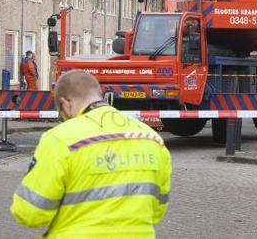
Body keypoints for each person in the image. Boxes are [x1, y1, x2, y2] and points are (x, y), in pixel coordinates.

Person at [11, 71, 172, 238]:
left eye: (62, 113)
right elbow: (158, 208)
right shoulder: (152, 139)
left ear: (65, 103)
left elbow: (31, 212)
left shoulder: (61, 139)